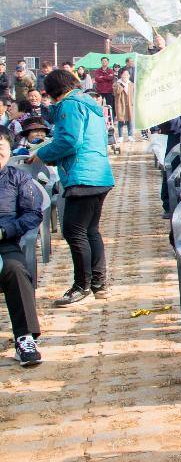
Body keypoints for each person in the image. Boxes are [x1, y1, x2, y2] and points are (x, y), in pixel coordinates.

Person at [34, 69, 115, 305]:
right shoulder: (88, 102)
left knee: (73, 230)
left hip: (82, 175)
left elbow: (70, 140)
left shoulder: (69, 105)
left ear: (54, 90)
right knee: (90, 230)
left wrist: (42, 153)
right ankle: (99, 282)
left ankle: (82, 284)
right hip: (98, 173)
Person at [0, 131, 44, 366]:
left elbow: (32, 214)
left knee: (16, 270)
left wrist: (5, 230)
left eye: (1, 146)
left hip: (5, 243)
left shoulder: (18, 178)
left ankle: (25, 338)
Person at [114, 67, 135, 141]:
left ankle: (130, 136)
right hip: (120, 104)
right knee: (121, 121)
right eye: (124, 74)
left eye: (127, 74)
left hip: (129, 104)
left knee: (130, 120)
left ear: (129, 75)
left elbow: (134, 94)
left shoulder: (131, 84)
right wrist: (122, 85)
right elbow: (116, 92)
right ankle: (120, 137)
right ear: (121, 75)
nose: (125, 76)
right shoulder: (117, 83)